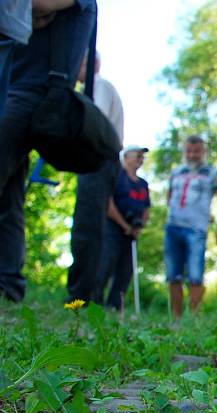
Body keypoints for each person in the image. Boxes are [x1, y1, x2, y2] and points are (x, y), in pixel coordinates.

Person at [0, 0, 97, 302]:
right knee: (9, 196)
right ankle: (9, 286)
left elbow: (36, 4)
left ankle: (9, 284)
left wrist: (23, 10)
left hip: (33, 94)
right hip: (20, 90)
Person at [66, 51, 125, 303]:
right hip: (104, 161)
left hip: (98, 159)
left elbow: (93, 120)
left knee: (87, 227)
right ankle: (89, 293)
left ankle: (82, 295)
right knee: (93, 226)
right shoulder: (102, 87)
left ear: (88, 65)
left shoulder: (99, 86)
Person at [165, 135, 217, 318]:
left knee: (195, 274)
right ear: (184, 152)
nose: (192, 155)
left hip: (196, 230)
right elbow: (170, 197)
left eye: (197, 151)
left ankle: (193, 318)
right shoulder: (176, 172)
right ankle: (176, 319)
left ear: (204, 152)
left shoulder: (212, 173)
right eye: (189, 151)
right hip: (173, 227)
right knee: (173, 275)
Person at [96, 145, 149, 310]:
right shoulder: (117, 177)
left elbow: (147, 208)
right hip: (113, 228)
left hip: (133, 232)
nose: (140, 158)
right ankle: (94, 302)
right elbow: (108, 203)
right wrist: (123, 224)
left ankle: (115, 305)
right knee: (105, 264)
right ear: (126, 157)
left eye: (142, 156)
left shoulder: (143, 184)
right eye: (137, 155)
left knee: (126, 270)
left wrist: (139, 226)